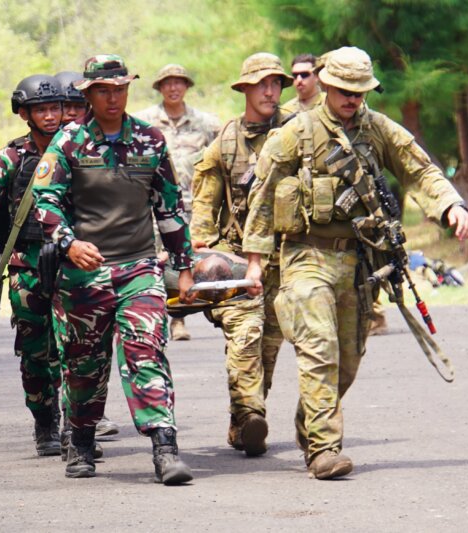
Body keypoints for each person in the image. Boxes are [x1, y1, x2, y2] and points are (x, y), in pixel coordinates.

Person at [242, 46, 468, 479]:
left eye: (360, 91)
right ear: (327, 85)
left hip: (358, 264)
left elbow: (419, 169)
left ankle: (308, 423)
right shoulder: (298, 133)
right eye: (345, 90)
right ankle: (324, 449)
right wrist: (254, 261)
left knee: (347, 360)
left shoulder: (377, 128)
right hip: (305, 256)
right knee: (320, 347)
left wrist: (450, 206)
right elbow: (262, 194)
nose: (352, 98)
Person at [32, 54, 196, 485]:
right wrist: (70, 244)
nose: (113, 97)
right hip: (85, 273)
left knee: (146, 350)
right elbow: (44, 202)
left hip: (139, 268)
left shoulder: (150, 140)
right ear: (88, 93)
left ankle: (165, 447)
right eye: (104, 90)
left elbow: (169, 208)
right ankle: (81, 442)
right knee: (85, 363)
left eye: (120, 89)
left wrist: (184, 268)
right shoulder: (68, 142)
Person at [190, 52, 292, 457]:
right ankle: (251, 416)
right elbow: (204, 203)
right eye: (263, 83)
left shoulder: (297, 131)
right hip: (237, 259)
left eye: (276, 84)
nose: (271, 91)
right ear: (245, 88)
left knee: (268, 345)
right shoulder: (226, 141)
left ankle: (242, 420)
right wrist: (204, 248)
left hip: (287, 258)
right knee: (246, 337)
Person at [0, 74, 67, 457]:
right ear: (25, 113)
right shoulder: (7, 160)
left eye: (55, 107)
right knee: (35, 352)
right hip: (26, 268)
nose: (50, 116)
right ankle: (45, 423)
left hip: (70, 263)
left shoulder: (76, 152)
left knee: (78, 350)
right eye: (41, 109)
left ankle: (78, 426)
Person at [53, 70, 121, 448]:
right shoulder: (51, 151)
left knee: (84, 347)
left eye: (77, 108)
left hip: (96, 263)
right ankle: (62, 419)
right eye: (63, 108)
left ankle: (77, 424)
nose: (67, 116)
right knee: (59, 349)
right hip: (49, 262)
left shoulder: (109, 145)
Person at [137, 64, 222, 342]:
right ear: (160, 88)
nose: (173, 88)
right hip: (153, 205)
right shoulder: (144, 122)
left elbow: (221, 158)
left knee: (183, 259)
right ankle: (157, 316)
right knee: (153, 260)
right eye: (168, 83)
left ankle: (181, 317)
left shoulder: (206, 124)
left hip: (191, 204)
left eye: (179, 83)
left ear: (186, 86)